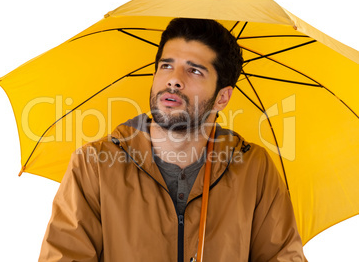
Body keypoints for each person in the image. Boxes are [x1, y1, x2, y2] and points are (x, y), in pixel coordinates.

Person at [39, 18, 306, 261]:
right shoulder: (94, 164)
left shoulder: (253, 167)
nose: (174, 81)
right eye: (166, 66)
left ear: (223, 97)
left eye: (195, 71)